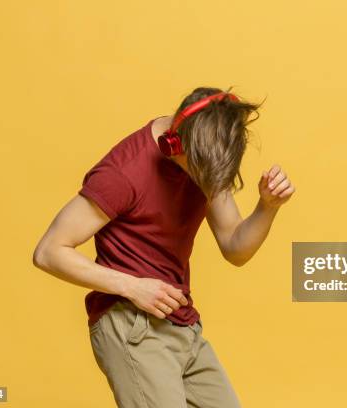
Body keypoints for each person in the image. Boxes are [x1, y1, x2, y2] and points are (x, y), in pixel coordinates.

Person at [32, 86, 295, 408]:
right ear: (174, 143)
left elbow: (235, 247)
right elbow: (49, 251)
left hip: (181, 322)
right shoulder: (123, 173)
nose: (206, 183)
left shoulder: (207, 154)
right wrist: (132, 286)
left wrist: (267, 206)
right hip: (132, 325)